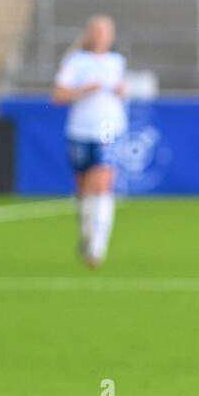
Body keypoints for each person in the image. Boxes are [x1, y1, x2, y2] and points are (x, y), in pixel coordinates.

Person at [52, 15, 126, 268]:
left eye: (104, 32)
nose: (100, 36)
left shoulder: (118, 62)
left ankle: (98, 245)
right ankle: (86, 230)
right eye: (96, 31)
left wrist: (121, 92)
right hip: (80, 129)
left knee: (102, 184)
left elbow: (122, 92)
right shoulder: (75, 61)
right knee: (83, 189)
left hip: (108, 128)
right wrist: (84, 89)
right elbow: (58, 95)